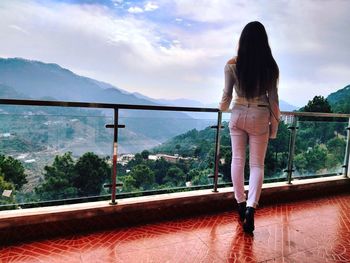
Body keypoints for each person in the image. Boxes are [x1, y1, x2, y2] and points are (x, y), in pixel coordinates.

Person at [219, 21, 280, 233]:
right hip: (260, 115)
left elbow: (227, 95)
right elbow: (274, 101)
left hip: (237, 113)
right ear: (264, 42)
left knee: (237, 160)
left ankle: (240, 203)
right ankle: (251, 210)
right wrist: (275, 124)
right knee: (257, 165)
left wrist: (222, 108)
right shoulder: (270, 67)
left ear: (242, 40)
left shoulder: (232, 64)